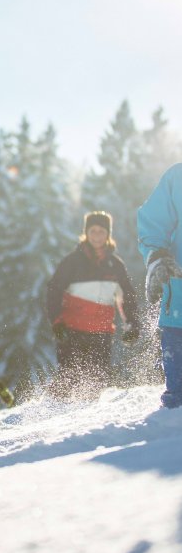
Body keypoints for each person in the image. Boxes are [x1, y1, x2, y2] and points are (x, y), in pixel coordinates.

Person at [46, 211, 139, 400]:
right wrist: (56, 321)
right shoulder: (72, 262)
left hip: (101, 334)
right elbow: (53, 291)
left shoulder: (115, 265)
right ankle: (50, 414)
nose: (97, 235)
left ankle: (86, 426)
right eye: (93, 231)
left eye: (101, 231)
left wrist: (132, 324)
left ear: (108, 235)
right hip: (72, 332)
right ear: (86, 233)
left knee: (95, 384)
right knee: (68, 381)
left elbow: (127, 297)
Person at [138, 163, 182, 408]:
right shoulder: (178, 178)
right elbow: (155, 220)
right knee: (178, 402)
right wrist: (156, 256)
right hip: (179, 304)